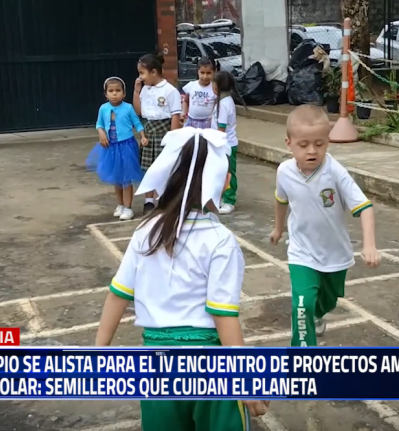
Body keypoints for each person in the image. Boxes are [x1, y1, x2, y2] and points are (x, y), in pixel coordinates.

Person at [95, 127, 269, 430]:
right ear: (224, 181)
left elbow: (118, 294)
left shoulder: (145, 231)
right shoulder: (220, 241)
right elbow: (223, 315)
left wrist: (100, 352)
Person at [269, 105, 381, 347]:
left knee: (327, 300)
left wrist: (369, 244)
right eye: (304, 145)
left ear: (328, 141)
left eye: (319, 144)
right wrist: (279, 228)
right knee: (302, 304)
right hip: (301, 251)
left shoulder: (335, 172)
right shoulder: (284, 172)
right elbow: (281, 200)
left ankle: (319, 314)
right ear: (288, 143)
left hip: (334, 253)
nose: (312, 151)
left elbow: (364, 207)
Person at [86, 77, 148, 221]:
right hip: (110, 147)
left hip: (126, 146)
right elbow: (99, 124)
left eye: (118, 91)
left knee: (126, 178)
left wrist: (143, 136)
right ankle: (120, 204)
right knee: (116, 178)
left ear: (124, 93)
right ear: (106, 94)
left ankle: (128, 207)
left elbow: (137, 123)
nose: (115, 94)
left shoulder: (128, 108)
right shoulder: (103, 108)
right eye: (111, 91)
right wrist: (101, 133)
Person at [133, 53, 182, 215]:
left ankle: (166, 199)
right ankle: (149, 201)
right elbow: (139, 111)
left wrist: (173, 139)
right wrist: (136, 91)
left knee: (165, 168)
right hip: (149, 131)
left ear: (154, 72)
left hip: (164, 131)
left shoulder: (170, 91)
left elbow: (175, 115)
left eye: (142, 73)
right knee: (149, 169)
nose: (140, 77)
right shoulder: (145, 89)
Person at [211, 71, 243, 215]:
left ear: (217, 86)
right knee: (221, 172)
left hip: (226, 145)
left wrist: (216, 143)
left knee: (228, 173)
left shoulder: (224, 104)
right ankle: (222, 197)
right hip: (222, 144)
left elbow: (221, 128)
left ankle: (229, 200)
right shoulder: (223, 101)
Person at [181, 58, 217, 129]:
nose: (205, 76)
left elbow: (216, 106)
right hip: (191, 122)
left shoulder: (215, 88)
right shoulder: (191, 85)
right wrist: (184, 112)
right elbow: (186, 101)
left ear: (214, 72)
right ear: (198, 72)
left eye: (208, 73)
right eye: (202, 73)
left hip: (207, 123)